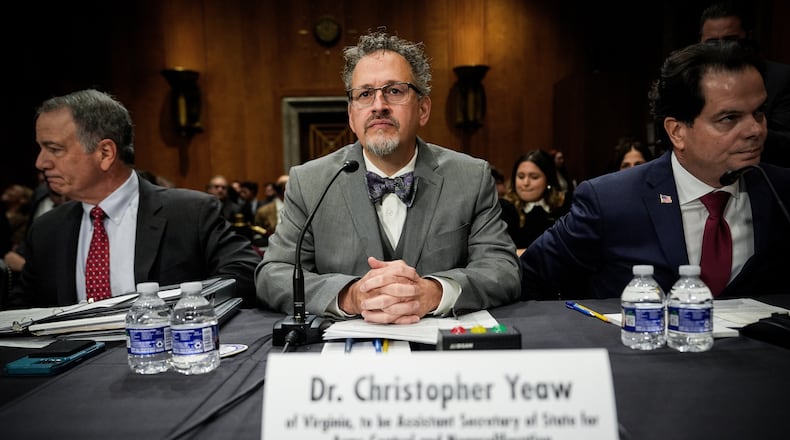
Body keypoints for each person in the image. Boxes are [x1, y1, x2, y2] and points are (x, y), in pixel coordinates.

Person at [256, 30, 520, 324]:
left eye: (395, 91)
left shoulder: (471, 177)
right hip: (344, 360)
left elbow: (502, 269)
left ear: (423, 109)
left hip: (443, 358)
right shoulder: (310, 182)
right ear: (351, 115)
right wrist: (350, 296)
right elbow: (272, 275)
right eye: (365, 94)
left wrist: (433, 292)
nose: (378, 105)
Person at [519, 41, 790, 300]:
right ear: (677, 131)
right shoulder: (610, 201)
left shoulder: (781, 193)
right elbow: (528, 277)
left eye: (759, 112)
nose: (755, 130)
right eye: (730, 118)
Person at [11, 89, 261, 308]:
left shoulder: (191, 213)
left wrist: (183, 312)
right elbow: (21, 313)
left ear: (105, 153)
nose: (40, 162)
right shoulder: (46, 230)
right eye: (41, 149)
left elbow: (244, 274)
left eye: (54, 149)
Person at [699, 0, 790, 167]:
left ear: (748, 36)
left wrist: (737, 130)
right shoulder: (693, 81)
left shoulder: (781, 78)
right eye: (712, 43)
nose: (721, 49)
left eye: (730, 40)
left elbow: (785, 142)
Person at [501, 150, 568, 254]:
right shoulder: (504, 208)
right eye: (521, 177)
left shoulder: (564, 206)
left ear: (548, 180)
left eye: (534, 177)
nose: (526, 183)